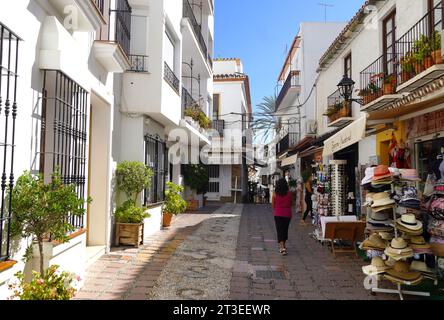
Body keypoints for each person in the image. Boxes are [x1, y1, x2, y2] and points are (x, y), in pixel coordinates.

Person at [272, 178, 293, 256]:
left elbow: (273, 204)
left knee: (279, 230)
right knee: (285, 229)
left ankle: (282, 247)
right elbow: (291, 203)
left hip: (278, 214)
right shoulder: (289, 193)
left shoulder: (275, 193)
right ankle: (283, 245)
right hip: (287, 214)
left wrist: (277, 209)